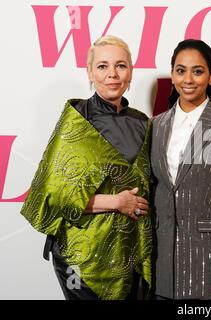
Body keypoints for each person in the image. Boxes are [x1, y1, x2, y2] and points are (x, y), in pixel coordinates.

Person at [20, 35, 152, 300]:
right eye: (102, 66)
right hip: (80, 253)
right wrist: (116, 202)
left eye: (120, 66)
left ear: (131, 72)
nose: (112, 74)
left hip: (126, 250)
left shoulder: (143, 122)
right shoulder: (77, 119)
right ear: (90, 72)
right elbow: (53, 196)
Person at [150, 39, 211, 300]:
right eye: (181, 70)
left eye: (198, 71)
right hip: (162, 262)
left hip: (209, 259)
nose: (188, 79)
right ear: (172, 75)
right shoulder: (156, 126)